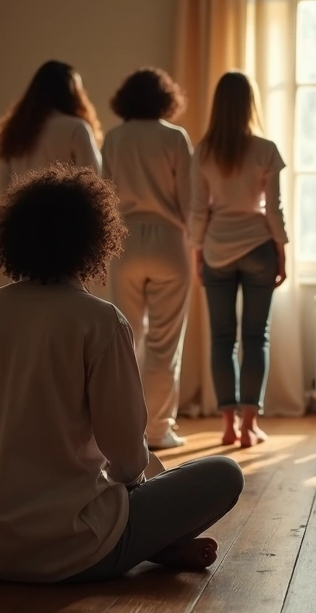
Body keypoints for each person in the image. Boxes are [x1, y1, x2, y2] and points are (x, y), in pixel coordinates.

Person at [0, 165, 244, 583]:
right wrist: (145, 490)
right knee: (224, 474)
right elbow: (127, 459)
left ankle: (157, 543)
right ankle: (156, 544)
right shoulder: (99, 320)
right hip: (65, 549)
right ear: (96, 240)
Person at [189, 71, 288, 448]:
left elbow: (199, 210)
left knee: (222, 339)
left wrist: (198, 252)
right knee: (255, 336)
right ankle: (250, 426)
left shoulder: (204, 151)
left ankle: (228, 426)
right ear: (250, 104)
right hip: (259, 247)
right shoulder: (266, 149)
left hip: (216, 249)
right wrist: (281, 251)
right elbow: (274, 210)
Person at [101, 67, 195, 450]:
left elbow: (104, 197)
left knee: (126, 341)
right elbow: (189, 199)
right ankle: (158, 430)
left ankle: (128, 430)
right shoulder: (175, 137)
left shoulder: (114, 138)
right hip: (169, 242)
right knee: (164, 344)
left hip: (124, 242)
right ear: (165, 98)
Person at [0, 59, 103, 188]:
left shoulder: (16, 132)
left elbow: (3, 188)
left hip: (26, 202)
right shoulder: (77, 128)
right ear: (74, 93)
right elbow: (93, 182)